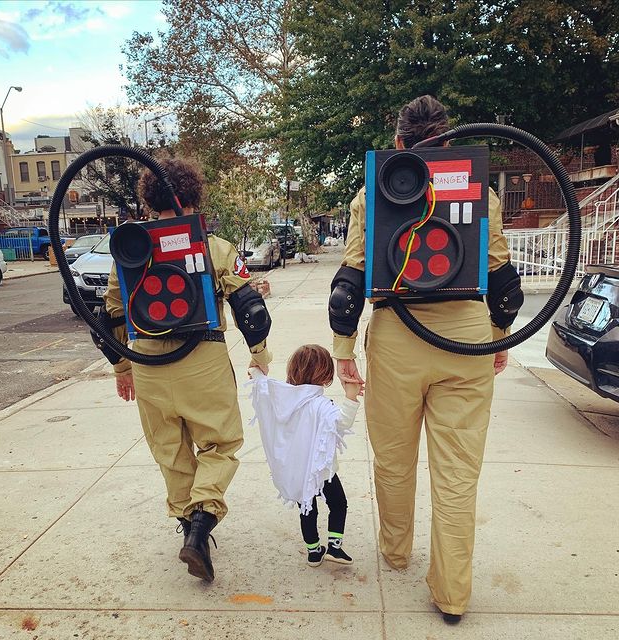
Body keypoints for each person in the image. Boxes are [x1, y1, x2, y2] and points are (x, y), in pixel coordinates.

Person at [329, 96, 523, 623]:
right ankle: (452, 595)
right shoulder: (478, 190)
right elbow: (503, 281)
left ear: (398, 145)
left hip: (397, 334)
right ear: (447, 142)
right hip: (465, 336)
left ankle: (395, 553)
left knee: (393, 461)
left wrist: (344, 352)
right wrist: (495, 338)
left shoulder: (371, 193)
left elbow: (349, 283)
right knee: (457, 474)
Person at [103, 157, 272, 583]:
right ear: (194, 196)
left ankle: (188, 523)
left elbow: (110, 316)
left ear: (149, 201)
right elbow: (250, 309)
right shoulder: (212, 247)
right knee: (219, 445)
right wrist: (260, 354)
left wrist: (124, 367)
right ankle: (201, 526)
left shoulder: (129, 253)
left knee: (171, 452)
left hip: (150, 366)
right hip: (203, 362)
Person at [248, 344, 361, 567]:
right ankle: (335, 548)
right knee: (338, 504)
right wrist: (351, 396)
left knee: (307, 509)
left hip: (298, 471)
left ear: (292, 370)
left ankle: (313, 552)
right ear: (327, 375)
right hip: (323, 470)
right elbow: (342, 422)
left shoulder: (279, 397)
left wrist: (256, 368)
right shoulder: (320, 404)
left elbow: (259, 382)